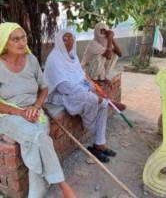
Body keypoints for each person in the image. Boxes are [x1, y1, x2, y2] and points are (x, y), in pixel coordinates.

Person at [0, 22, 77, 198]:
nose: (21, 42)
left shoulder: (32, 60)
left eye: (23, 38)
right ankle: (64, 186)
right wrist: (21, 112)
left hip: (35, 114)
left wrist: (35, 107)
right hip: (8, 116)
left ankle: (36, 193)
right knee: (39, 137)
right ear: (4, 42)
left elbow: (44, 88)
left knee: (37, 140)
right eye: (15, 39)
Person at [44, 29, 122, 163]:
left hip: (76, 92)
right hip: (59, 96)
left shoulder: (72, 57)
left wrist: (91, 86)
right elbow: (64, 87)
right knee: (93, 99)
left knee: (101, 103)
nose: (70, 41)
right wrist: (87, 91)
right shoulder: (54, 59)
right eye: (65, 38)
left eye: (72, 37)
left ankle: (99, 144)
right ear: (58, 41)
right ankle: (92, 125)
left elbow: (81, 76)